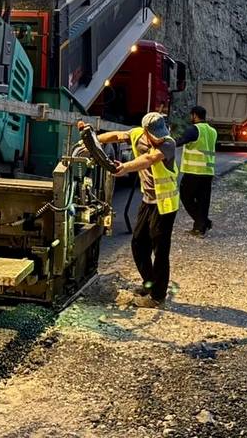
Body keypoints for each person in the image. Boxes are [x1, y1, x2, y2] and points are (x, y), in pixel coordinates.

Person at [79, 112, 180, 308]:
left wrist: (125, 167)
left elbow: (149, 159)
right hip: (148, 201)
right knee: (138, 244)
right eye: (155, 135)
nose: (159, 138)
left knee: (160, 251)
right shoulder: (137, 134)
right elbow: (117, 136)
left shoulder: (168, 144)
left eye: (161, 134)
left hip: (165, 204)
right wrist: (94, 140)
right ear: (145, 131)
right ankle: (149, 283)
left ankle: (157, 296)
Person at [175, 105, 218, 237]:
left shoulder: (194, 129)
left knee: (186, 197)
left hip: (194, 171)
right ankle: (200, 228)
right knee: (203, 201)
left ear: (194, 115)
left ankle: (203, 222)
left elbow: (180, 141)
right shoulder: (212, 131)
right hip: (208, 171)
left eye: (191, 115)